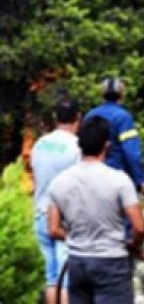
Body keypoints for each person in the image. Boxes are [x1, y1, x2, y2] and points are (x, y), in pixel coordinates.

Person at [47, 116, 144, 304]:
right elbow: (140, 227)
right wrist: (133, 244)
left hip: (77, 263)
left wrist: (77, 237)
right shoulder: (120, 180)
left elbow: (53, 230)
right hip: (112, 263)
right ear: (107, 146)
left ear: (79, 145)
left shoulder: (59, 182)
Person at [31, 98, 80, 304]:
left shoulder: (40, 143)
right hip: (64, 220)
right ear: (78, 118)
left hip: (40, 212)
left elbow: (35, 177)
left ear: (55, 117)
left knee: (51, 279)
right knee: (66, 279)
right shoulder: (78, 147)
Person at [83, 77, 144, 195]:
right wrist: (141, 179)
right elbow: (131, 152)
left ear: (102, 95)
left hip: (89, 175)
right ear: (122, 95)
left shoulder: (89, 115)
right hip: (116, 175)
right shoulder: (123, 117)